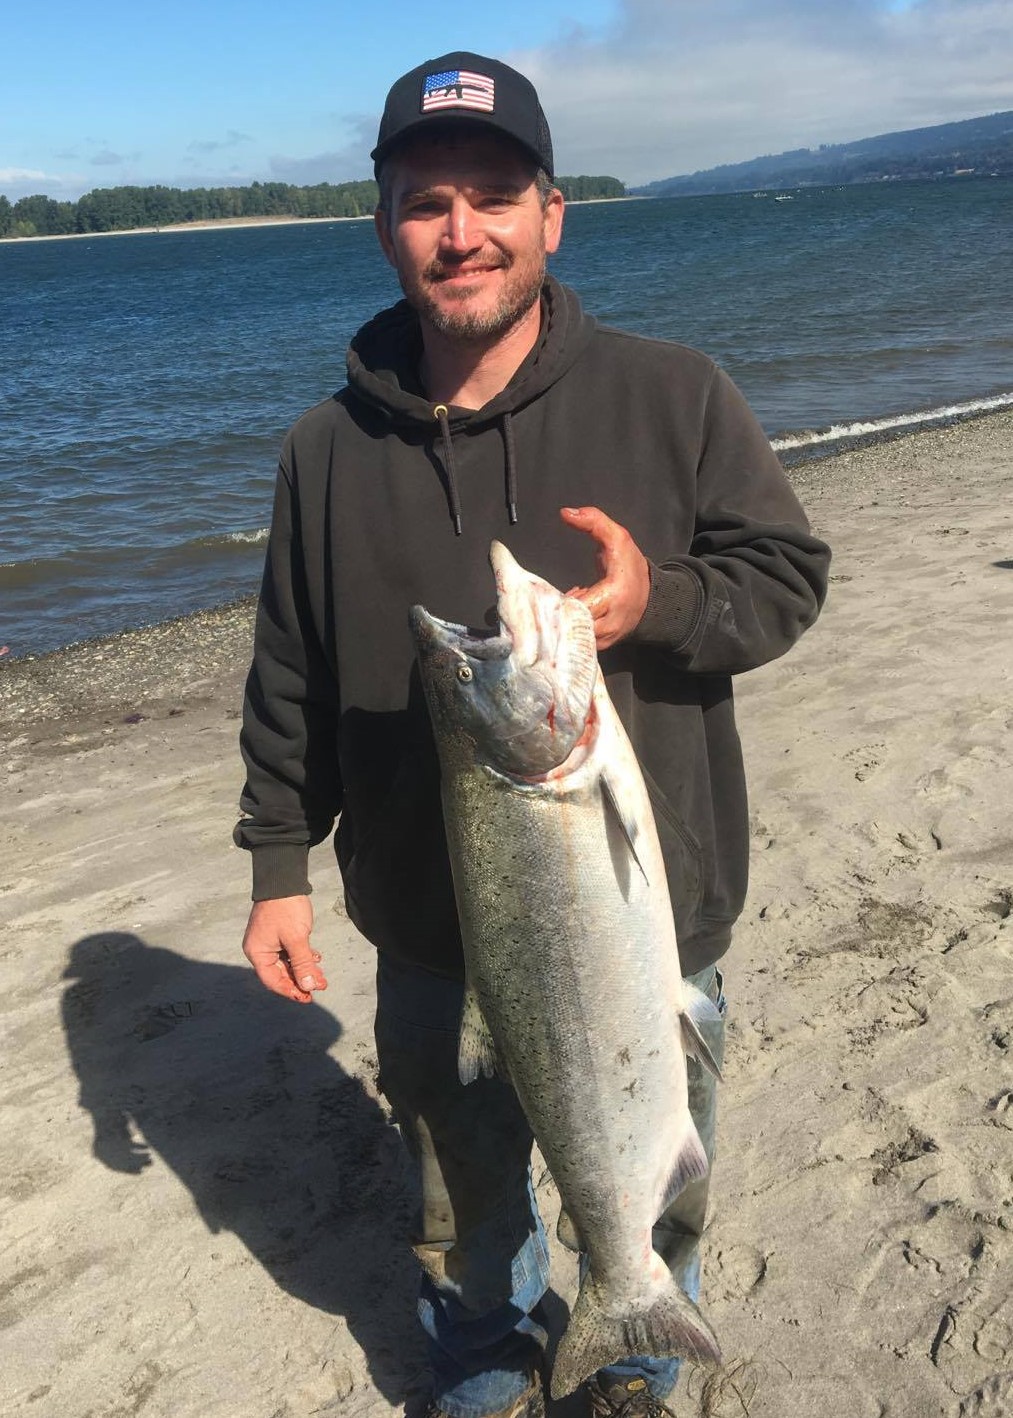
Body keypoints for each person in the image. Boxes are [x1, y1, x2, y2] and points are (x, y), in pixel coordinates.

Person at [235, 50, 830, 1418]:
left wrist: (653, 603)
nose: (462, 232)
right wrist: (277, 862)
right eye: (425, 201)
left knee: (649, 1165)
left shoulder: (673, 393)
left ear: (552, 214)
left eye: (494, 195)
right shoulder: (323, 451)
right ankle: (488, 1350)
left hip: (645, 917)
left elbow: (786, 578)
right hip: (424, 927)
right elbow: (289, 671)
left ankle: (633, 1347)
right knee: (460, 1185)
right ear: (383, 226)